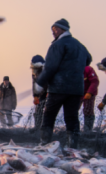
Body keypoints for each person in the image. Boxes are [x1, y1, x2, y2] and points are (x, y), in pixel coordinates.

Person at [35, 18, 92, 148]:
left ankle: (45, 144)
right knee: (72, 117)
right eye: (52, 30)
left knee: (49, 115)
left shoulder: (57, 45)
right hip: (76, 88)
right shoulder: (80, 45)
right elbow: (88, 59)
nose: (53, 32)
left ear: (63, 30)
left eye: (55, 29)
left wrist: (39, 84)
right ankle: (73, 147)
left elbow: (50, 67)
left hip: (58, 88)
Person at [30, 55, 47, 131]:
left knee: (48, 111)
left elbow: (51, 83)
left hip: (50, 92)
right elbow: (34, 84)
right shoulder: (34, 74)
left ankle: (46, 128)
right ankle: (37, 127)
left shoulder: (46, 71)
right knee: (38, 110)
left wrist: (49, 92)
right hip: (41, 93)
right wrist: (35, 96)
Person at [82, 65, 100, 132]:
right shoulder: (70, 68)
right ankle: (73, 130)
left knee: (88, 110)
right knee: (72, 110)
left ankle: (88, 130)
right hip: (76, 92)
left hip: (88, 92)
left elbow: (95, 81)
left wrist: (89, 92)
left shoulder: (87, 69)